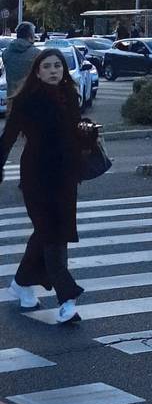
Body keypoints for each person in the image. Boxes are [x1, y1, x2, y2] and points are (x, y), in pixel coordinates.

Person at [0, 48, 98, 324]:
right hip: (36, 177)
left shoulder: (70, 97)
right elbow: (7, 138)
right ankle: (67, 299)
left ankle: (21, 282)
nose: (54, 70)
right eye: (48, 66)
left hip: (66, 176)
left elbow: (73, 135)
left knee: (52, 234)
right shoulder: (26, 101)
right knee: (51, 236)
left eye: (58, 66)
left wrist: (86, 134)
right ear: (37, 71)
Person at [1, 21, 40, 99]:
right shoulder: (37, 54)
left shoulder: (6, 53)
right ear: (31, 35)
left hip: (12, 98)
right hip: (32, 98)